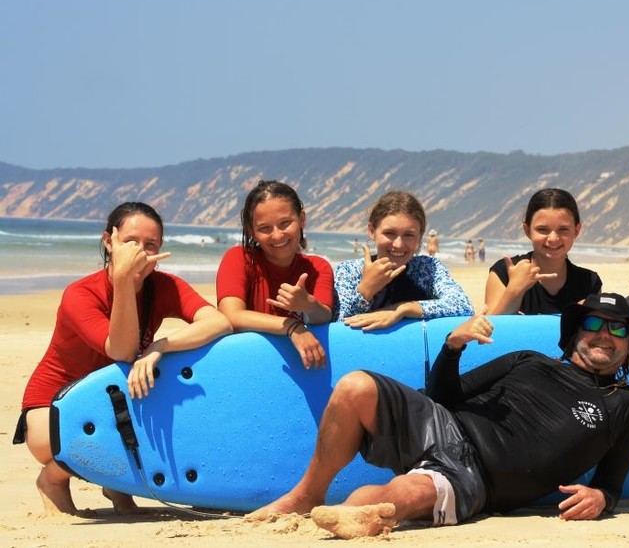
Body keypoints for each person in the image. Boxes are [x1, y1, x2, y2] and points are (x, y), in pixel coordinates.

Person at [247, 292, 629, 538]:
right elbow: (445, 396)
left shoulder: (627, 405)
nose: (604, 334)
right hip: (441, 423)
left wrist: (602, 497)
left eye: (618, 330)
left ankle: (357, 514)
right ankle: (306, 496)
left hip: (476, 479)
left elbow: (611, 482)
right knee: (355, 386)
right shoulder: (527, 360)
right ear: (576, 333)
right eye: (595, 323)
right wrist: (452, 348)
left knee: (396, 499)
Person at [13, 202, 232, 516]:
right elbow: (122, 350)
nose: (140, 253)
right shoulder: (81, 294)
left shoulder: (163, 286)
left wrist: (160, 346)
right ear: (108, 241)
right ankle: (52, 479)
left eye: (150, 245)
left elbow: (219, 322)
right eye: (130, 243)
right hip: (52, 411)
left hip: (112, 400)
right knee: (95, 437)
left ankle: (117, 487)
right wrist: (124, 281)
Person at [216, 180, 334, 369]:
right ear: (251, 231)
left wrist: (308, 305)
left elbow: (324, 316)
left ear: (302, 219)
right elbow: (230, 316)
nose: (277, 235)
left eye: (285, 223)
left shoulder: (318, 267)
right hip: (247, 366)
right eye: (264, 228)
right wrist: (291, 326)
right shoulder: (238, 258)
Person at [333, 191, 473, 330]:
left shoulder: (427, 268)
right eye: (389, 233)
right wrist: (366, 290)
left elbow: (464, 306)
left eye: (408, 235)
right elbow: (337, 328)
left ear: (420, 236)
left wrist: (402, 310)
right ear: (372, 231)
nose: (398, 244)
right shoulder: (349, 270)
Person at [485, 188, 601, 314]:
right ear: (527, 230)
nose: (553, 239)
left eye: (563, 229)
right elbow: (489, 330)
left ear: (576, 230)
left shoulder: (589, 282)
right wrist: (514, 290)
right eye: (543, 229)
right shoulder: (505, 272)